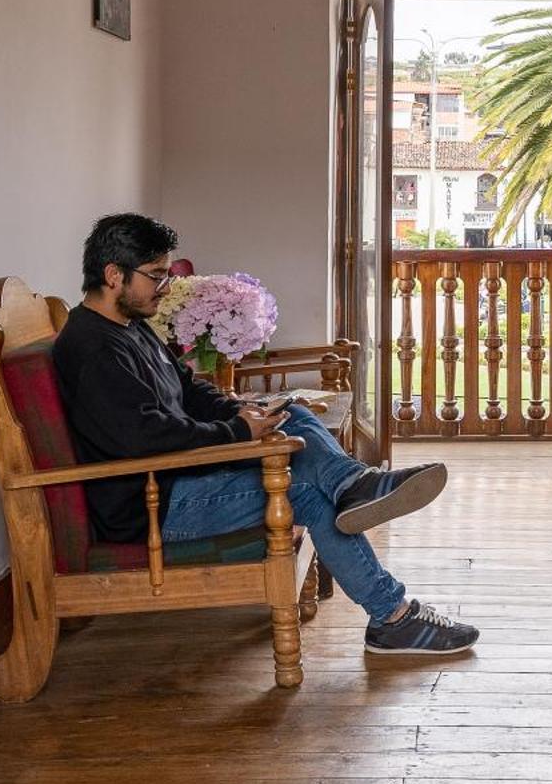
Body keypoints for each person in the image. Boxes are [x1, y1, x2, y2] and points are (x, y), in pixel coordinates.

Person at [51, 213, 477, 655]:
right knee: (310, 492)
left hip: (179, 478)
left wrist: (241, 410)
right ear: (114, 275)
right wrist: (236, 430)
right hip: (154, 503)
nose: (167, 287)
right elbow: (143, 438)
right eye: (157, 276)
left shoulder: (132, 327)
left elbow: (187, 389)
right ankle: (390, 610)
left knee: (291, 414)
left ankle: (355, 487)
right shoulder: (92, 350)